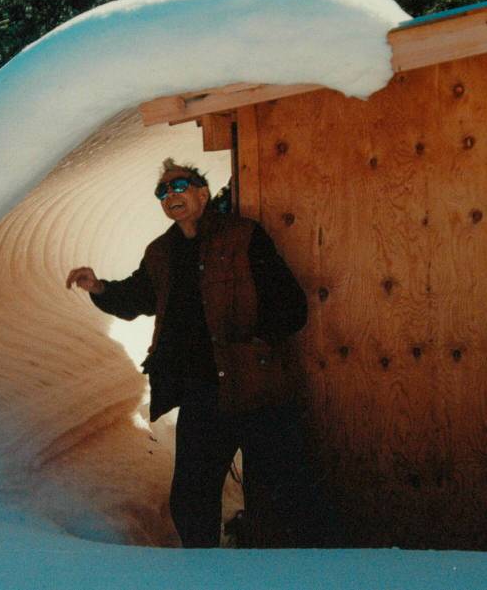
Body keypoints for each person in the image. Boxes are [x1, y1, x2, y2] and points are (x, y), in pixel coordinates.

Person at [66, 158, 312, 548]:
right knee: (191, 499)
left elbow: (291, 304)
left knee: (274, 497)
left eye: (179, 185)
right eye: (162, 191)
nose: (170, 195)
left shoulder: (243, 236)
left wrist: (257, 346)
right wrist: (99, 288)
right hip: (202, 392)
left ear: (202, 193)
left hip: (257, 386)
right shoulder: (161, 252)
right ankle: (203, 576)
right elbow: (137, 298)